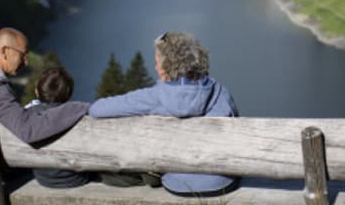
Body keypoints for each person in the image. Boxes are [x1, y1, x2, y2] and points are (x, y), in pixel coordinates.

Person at [88, 31, 239, 196]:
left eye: (158, 63)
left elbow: (97, 109)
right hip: (221, 183)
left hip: (178, 184)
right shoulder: (220, 92)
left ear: (167, 68)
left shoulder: (154, 97)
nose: (155, 68)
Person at [0, 27, 88, 144]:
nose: (26, 62)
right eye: (23, 55)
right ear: (5, 51)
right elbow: (28, 130)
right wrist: (78, 108)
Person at [23, 66, 93, 188]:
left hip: (43, 178)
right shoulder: (77, 112)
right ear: (69, 94)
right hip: (76, 179)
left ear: (37, 92)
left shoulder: (26, 115)